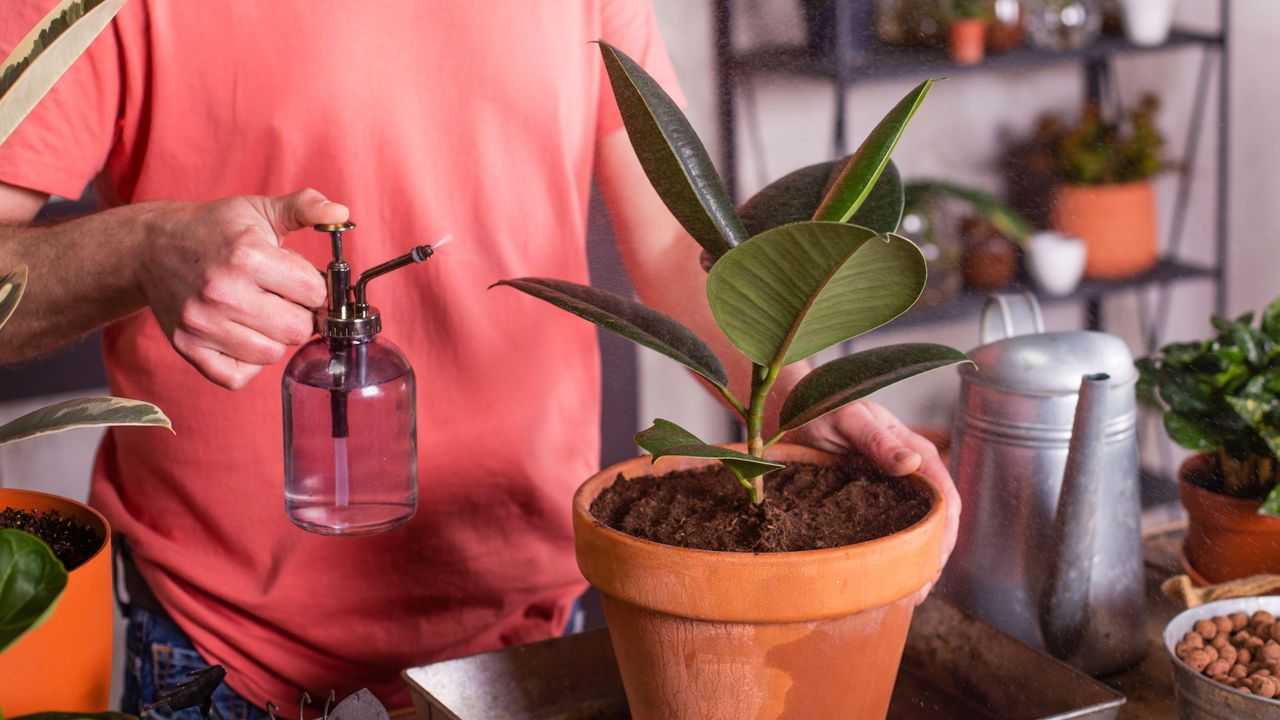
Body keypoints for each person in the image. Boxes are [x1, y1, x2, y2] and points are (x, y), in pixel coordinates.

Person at [0, 1, 959, 712]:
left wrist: (801, 383)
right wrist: (142, 248)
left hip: (552, 630)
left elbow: (679, 251)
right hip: (227, 657)